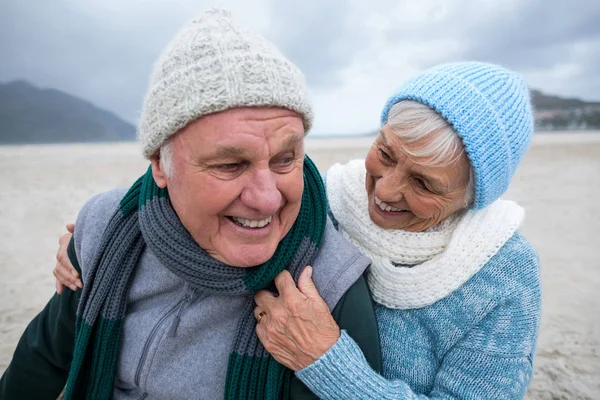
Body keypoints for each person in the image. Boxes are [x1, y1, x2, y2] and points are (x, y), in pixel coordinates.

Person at [0, 9, 381, 400]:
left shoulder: (332, 287)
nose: (267, 197)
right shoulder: (105, 230)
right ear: (159, 165)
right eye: (231, 165)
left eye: (285, 159)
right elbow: (43, 359)